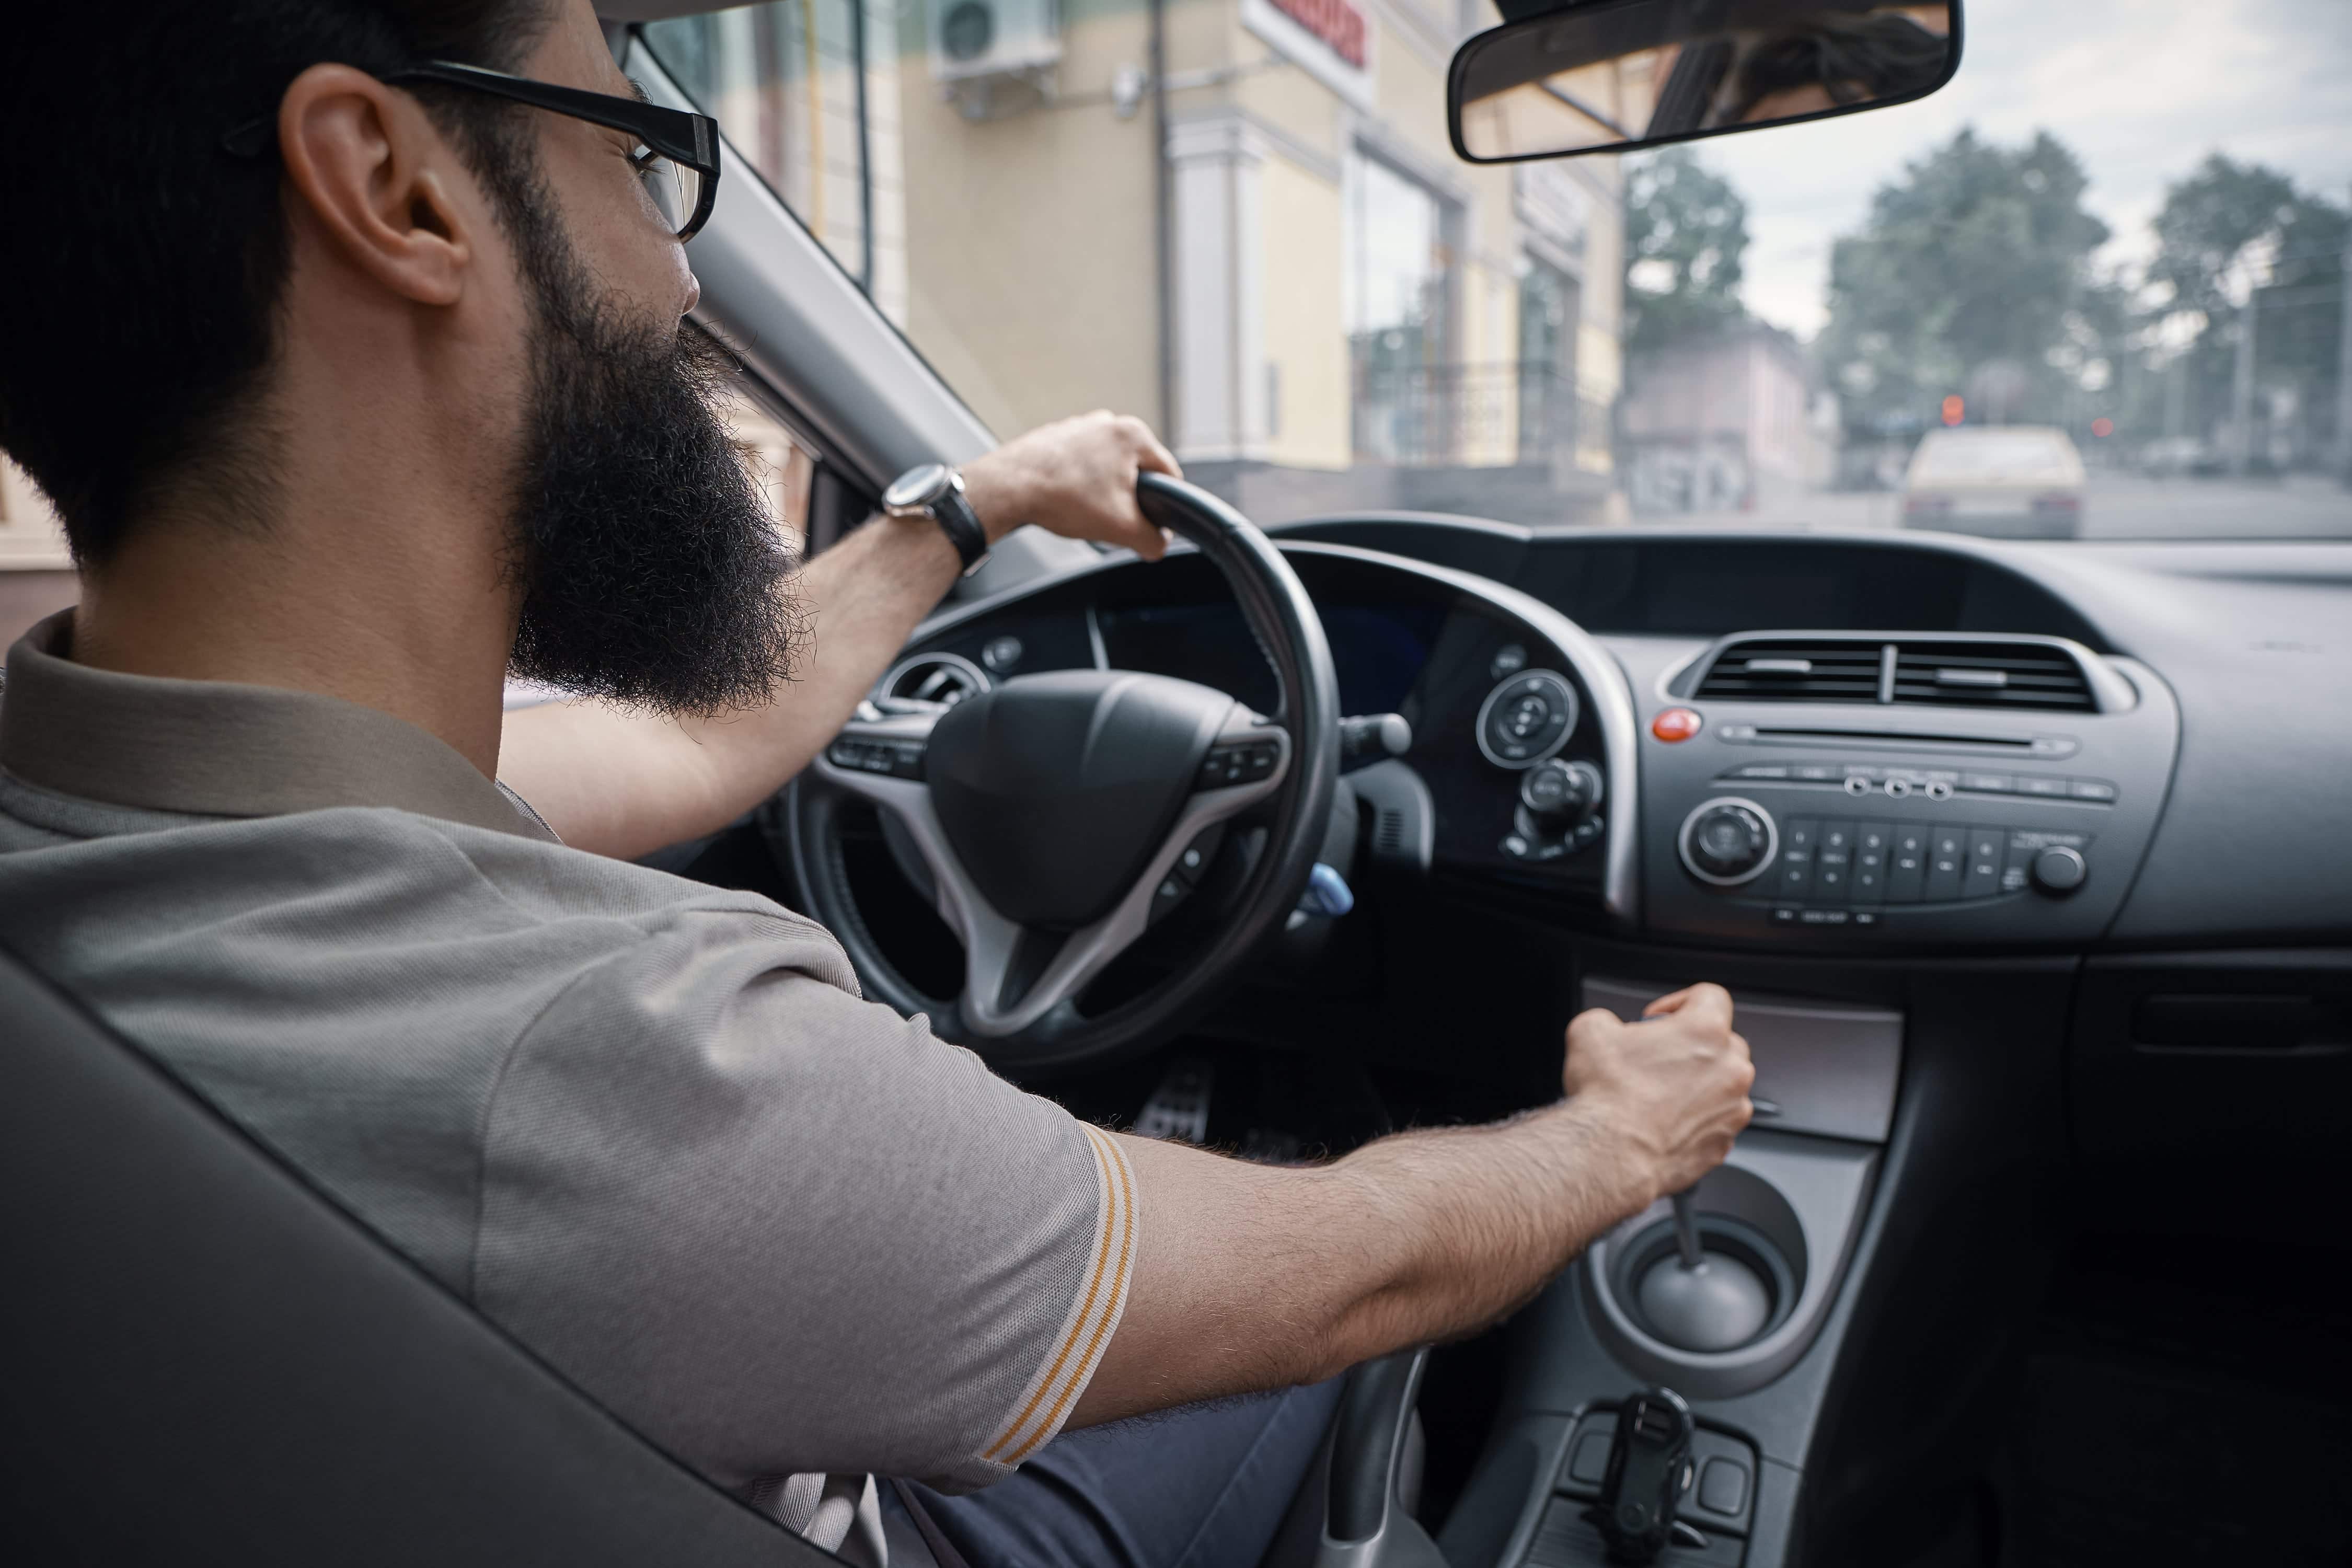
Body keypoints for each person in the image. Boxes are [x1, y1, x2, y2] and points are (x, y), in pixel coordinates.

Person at [0, 2, 1754, 1564]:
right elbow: (1356, 1265)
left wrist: (970, 507)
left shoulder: (139, 831)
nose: (683, 280)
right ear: (395, 188)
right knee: (1322, 1339)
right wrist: (1622, 1134)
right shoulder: (624, 1051)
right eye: (639, 143)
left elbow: (704, 738)